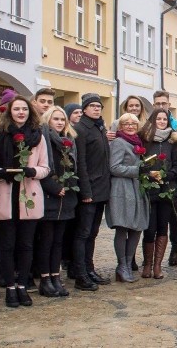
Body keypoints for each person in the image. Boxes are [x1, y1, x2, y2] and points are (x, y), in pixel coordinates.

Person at [0, 95, 51, 307]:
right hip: (6, 194)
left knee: (26, 245)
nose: (21, 113)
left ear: (29, 111)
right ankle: (9, 287)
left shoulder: (38, 136)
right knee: (7, 245)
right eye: (16, 109)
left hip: (29, 195)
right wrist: (1, 172)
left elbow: (46, 167)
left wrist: (33, 171)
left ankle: (23, 285)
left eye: (24, 109)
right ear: (10, 112)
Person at [37, 106, 79, 297]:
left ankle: (56, 277)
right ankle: (45, 279)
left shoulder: (69, 141)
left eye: (63, 119)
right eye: (56, 119)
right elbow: (41, 168)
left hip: (66, 198)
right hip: (49, 197)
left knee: (58, 242)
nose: (60, 122)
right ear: (48, 120)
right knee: (46, 241)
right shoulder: (43, 140)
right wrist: (54, 188)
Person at [73, 93, 112, 291]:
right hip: (89, 190)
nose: (97, 109)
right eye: (93, 106)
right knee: (83, 233)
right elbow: (81, 163)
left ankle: (89, 269)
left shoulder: (99, 128)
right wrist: (85, 191)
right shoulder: (80, 129)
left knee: (93, 233)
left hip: (101, 189)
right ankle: (80, 274)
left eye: (99, 106)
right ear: (85, 108)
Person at [105, 113, 151, 283]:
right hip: (122, 189)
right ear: (120, 126)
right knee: (123, 227)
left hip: (136, 187)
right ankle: (122, 266)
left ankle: (128, 262)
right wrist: (137, 170)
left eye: (133, 123)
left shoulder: (137, 141)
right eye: (126, 123)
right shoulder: (118, 142)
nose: (130, 126)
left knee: (137, 227)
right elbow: (114, 167)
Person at [139, 109, 177, 279]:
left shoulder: (172, 142)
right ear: (153, 121)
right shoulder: (146, 140)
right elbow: (140, 163)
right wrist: (149, 175)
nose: (162, 121)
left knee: (163, 227)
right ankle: (147, 264)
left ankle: (157, 265)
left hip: (166, 190)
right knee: (149, 229)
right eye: (159, 119)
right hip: (149, 190)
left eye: (165, 119)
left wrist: (166, 175)